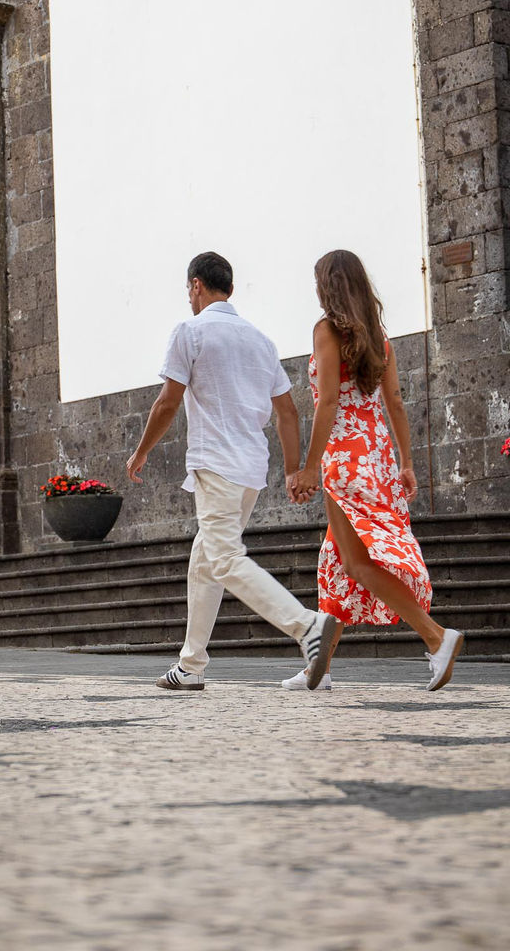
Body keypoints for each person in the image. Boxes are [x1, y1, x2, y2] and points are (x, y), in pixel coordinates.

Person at [127, 252, 343, 692]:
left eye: (188, 290)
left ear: (196, 285)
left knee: (224, 559)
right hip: (250, 470)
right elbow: (287, 412)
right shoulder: (260, 341)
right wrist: (291, 470)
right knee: (204, 561)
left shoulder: (190, 332)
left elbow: (167, 402)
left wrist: (141, 451)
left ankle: (307, 626)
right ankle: (191, 665)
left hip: (216, 464)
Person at [287, 249, 462, 691]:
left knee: (355, 562)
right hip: (378, 455)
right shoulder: (379, 339)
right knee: (337, 560)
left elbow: (328, 401)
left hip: (345, 457)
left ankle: (436, 636)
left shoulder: (327, 330)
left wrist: (310, 467)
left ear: (328, 286)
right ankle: (319, 669)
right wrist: (406, 463)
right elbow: (395, 402)